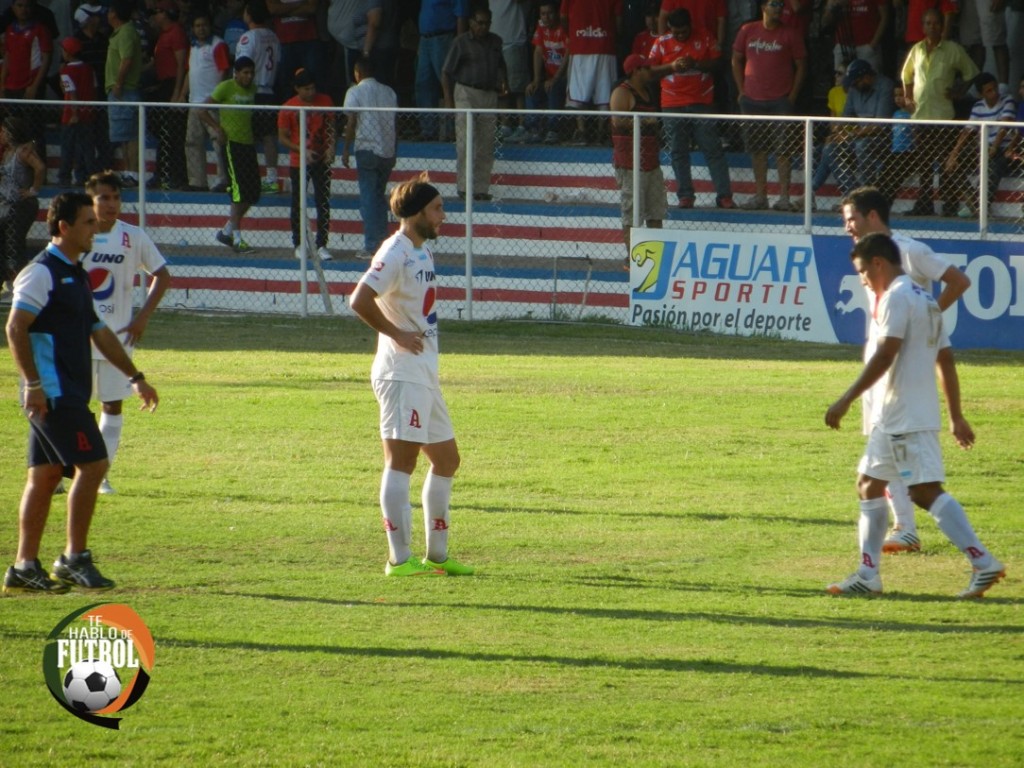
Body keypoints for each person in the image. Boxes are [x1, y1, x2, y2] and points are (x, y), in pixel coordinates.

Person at [824, 232, 1005, 599]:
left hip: (903, 416)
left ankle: (983, 561)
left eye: (862, 272)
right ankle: (867, 574)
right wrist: (956, 415)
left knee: (924, 491)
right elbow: (946, 360)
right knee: (868, 484)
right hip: (896, 417)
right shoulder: (926, 300)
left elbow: (886, 354)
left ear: (878, 263)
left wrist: (845, 399)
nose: (862, 280)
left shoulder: (896, 298)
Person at [3, 192, 160, 594]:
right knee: (93, 465)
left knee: (44, 476)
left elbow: (99, 332)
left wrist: (135, 376)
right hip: (53, 393)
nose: (96, 227)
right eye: (88, 222)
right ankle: (74, 558)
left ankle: (24, 567)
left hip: (65, 390)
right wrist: (34, 385)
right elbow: (16, 328)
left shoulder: (75, 270)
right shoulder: (42, 273)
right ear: (64, 227)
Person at [349, 172, 474, 578]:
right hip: (401, 373)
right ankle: (398, 561)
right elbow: (359, 299)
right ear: (417, 212)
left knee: (447, 459)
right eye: (437, 208)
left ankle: (437, 556)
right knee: (401, 463)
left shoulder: (420, 251)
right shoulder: (396, 251)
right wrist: (397, 333)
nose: (443, 216)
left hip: (423, 374)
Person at [840, 186, 971, 552]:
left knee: (891, 456)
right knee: (880, 452)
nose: (847, 227)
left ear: (872, 216)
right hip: (880, 364)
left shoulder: (910, 251)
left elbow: (959, 281)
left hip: (900, 368)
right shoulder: (871, 257)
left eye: (851, 219)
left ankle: (911, 530)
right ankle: (905, 528)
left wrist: (928, 317)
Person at [82, 171, 171, 495]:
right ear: (90, 200)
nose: (111, 204)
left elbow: (162, 275)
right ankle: (63, 473)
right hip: (77, 338)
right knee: (72, 407)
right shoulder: (78, 236)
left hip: (117, 338)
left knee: (113, 406)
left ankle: (100, 475)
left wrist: (142, 318)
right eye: (104, 197)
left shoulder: (132, 236)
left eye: (116, 197)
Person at [648, 7, 734, 210]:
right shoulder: (661, 42)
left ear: (690, 26)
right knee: (678, 151)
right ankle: (685, 195)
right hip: (671, 104)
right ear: (669, 28)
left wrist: (697, 63)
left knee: (712, 149)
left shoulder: (705, 37)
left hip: (702, 102)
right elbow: (648, 71)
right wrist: (671, 67)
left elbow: (719, 64)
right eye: (675, 32)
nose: (679, 36)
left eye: (683, 32)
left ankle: (724, 196)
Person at [901, 8, 978, 217]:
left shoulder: (953, 49)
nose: (932, 26)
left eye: (936, 23)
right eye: (928, 23)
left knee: (946, 165)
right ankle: (924, 205)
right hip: (921, 116)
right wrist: (908, 98)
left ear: (942, 26)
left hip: (944, 117)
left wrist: (959, 91)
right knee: (924, 165)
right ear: (923, 26)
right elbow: (906, 75)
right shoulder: (916, 49)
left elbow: (972, 73)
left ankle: (949, 205)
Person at [731, 0, 806, 212]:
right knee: (757, 150)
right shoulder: (747, 30)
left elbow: (802, 65)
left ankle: (783, 196)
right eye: (774, 4)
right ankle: (760, 196)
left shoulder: (790, 33)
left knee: (784, 150)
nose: (778, 8)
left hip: (780, 99)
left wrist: (792, 96)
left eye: (781, 5)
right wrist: (741, 90)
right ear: (763, 7)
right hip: (752, 99)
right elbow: (735, 59)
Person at [442, 7, 508, 202]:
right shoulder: (461, 42)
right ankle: (464, 187)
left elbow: (501, 65)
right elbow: (446, 72)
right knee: (466, 142)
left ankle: (480, 188)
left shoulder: (495, 41)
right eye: (480, 23)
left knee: (486, 143)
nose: (483, 27)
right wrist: (448, 101)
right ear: (471, 22)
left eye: (487, 23)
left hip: (489, 93)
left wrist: (505, 83)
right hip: (466, 92)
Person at [610, 55, 667, 264]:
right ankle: (632, 256)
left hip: (651, 161)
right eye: (646, 69)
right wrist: (645, 121)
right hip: (630, 163)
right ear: (635, 70)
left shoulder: (648, 92)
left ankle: (655, 256)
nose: (649, 72)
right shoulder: (622, 92)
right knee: (631, 211)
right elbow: (618, 121)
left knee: (656, 211)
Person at [202, 56, 261, 253]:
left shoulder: (253, 89)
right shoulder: (225, 88)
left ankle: (227, 230)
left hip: (248, 143)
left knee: (253, 192)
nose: (249, 76)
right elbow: (202, 109)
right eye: (245, 73)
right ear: (236, 73)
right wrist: (217, 128)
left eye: (251, 73)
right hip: (232, 144)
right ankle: (237, 239)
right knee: (238, 192)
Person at [278, 68, 336, 262]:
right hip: (298, 161)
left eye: (313, 88)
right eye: (306, 89)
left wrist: (331, 148)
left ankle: (322, 244)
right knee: (298, 202)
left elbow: (331, 128)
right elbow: (282, 137)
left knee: (323, 201)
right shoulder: (288, 107)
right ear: (297, 89)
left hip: (321, 159)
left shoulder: (325, 101)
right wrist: (301, 150)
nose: (311, 93)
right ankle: (299, 243)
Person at [342, 57, 397, 259]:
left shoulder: (355, 91)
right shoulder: (389, 92)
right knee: (378, 196)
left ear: (357, 72)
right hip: (387, 149)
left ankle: (372, 244)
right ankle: (382, 241)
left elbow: (352, 121)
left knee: (368, 198)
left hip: (367, 146)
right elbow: (395, 122)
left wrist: (346, 148)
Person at [945, 72, 1017, 218]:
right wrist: (954, 154)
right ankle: (975, 203)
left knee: (993, 166)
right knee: (950, 165)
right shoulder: (978, 106)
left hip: (1002, 148)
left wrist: (994, 147)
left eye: (995, 88)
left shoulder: (1007, 100)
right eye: (989, 91)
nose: (994, 93)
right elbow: (967, 131)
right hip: (983, 147)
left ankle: (978, 207)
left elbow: (1005, 126)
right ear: (980, 94)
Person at [236, 0, 282, 194]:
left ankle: (249, 177)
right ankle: (271, 177)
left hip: (252, 92)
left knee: (247, 136)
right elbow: (278, 62)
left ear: (249, 14)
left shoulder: (248, 37)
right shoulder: (273, 37)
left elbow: (242, 64)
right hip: (269, 91)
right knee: (269, 136)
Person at [560, 0, 622, 145]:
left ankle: (582, 133)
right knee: (605, 94)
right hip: (605, 45)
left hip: (580, 45)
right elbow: (619, 21)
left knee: (578, 94)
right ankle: (602, 133)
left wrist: (574, 34)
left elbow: (563, 17)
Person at [183, 11, 231, 192]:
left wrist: (218, 98)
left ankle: (223, 179)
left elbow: (225, 71)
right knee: (192, 142)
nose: (201, 29)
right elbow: (190, 72)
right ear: (193, 29)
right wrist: (182, 94)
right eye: (197, 26)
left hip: (212, 102)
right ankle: (197, 181)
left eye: (204, 25)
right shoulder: (193, 46)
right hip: (194, 102)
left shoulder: (218, 45)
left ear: (210, 26)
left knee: (218, 141)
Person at [831, 59, 894, 198]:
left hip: (883, 138)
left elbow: (881, 124)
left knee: (862, 145)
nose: (854, 86)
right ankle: (855, 194)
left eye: (856, 82)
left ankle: (868, 193)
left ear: (867, 77)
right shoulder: (854, 89)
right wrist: (836, 132)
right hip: (858, 136)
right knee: (830, 148)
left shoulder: (885, 86)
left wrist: (850, 134)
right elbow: (846, 116)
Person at [147, 0, 189, 190]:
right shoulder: (163, 35)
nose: (154, 16)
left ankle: (175, 177)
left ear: (165, 13)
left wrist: (177, 92)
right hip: (163, 85)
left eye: (157, 12)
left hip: (172, 85)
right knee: (162, 131)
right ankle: (162, 173)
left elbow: (181, 64)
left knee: (172, 133)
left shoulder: (176, 33)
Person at [0, 117, 45, 293]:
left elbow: (40, 167)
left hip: (20, 205)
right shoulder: (7, 151)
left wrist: (33, 189)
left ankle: (19, 284)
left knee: (14, 244)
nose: (1, 134)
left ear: (11, 133)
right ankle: (5, 282)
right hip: (5, 203)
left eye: (3, 131)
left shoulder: (24, 151)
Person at [415, 0, 470, 142]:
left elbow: (461, 16)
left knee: (448, 84)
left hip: (444, 38)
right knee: (423, 84)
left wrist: (459, 44)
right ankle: (428, 130)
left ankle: (454, 130)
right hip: (425, 38)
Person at [105, 0, 144, 188]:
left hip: (124, 91)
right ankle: (129, 173)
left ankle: (133, 174)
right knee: (124, 136)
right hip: (120, 91)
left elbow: (126, 59)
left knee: (131, 136)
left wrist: (119, 83)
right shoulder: (120, 33)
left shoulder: (126, 33)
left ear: (114, 13)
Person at [57, 37, 99, 188]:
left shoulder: (67, 70)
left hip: (70, 115)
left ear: (67, 53)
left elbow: (71, 93)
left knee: (68, 147)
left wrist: (74, 114)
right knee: (87, 148)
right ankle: (88, 177)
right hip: (88, 113)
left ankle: (64, 177)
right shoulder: (89, 69)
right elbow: (94, 89)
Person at [523, 1, 567, 144]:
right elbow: (538, 51)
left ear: (557, 13)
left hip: (566, 78)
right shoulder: (541, 26)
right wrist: (536, 80)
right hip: (548, 78)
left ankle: (553, 130)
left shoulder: (564, 27)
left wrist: (556, 78)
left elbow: (569, 55)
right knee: (531, 90)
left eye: (550, 13)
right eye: (543, 14)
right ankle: (534, 129)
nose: (546, 17)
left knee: (553, 87)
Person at [822, 0, 889, 72]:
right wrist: (832, 6)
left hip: (867, 45)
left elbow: (885, 17)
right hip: (843, 45)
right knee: (841, 79)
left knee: (870, 79)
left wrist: (873, 45)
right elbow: (825, 22)